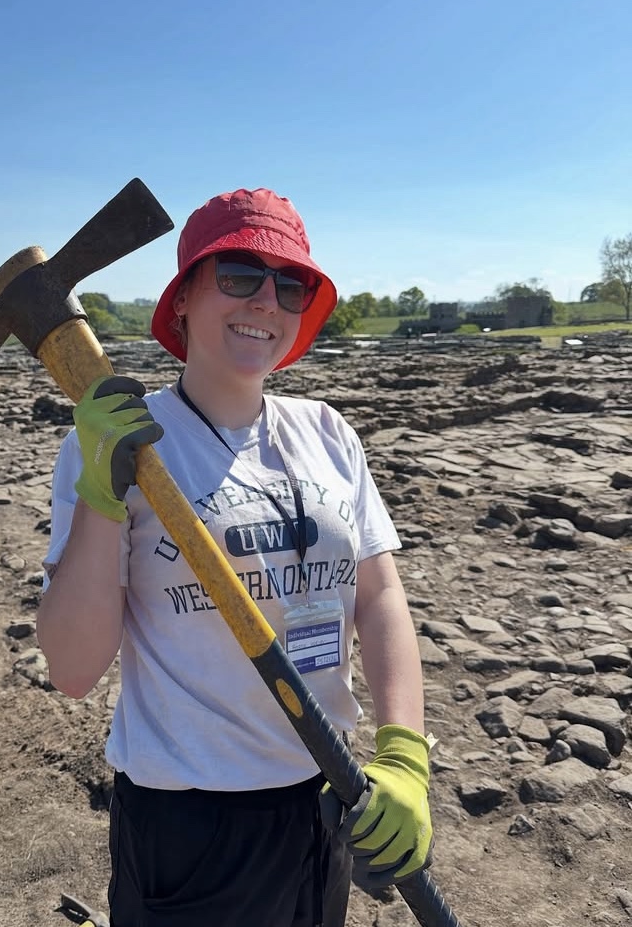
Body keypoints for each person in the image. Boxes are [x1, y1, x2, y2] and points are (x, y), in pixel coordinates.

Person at [37, 187, 432, 927]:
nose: (267, 301)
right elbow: (72, 670)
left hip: (328, 795)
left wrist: (406, 753)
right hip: (192, 822)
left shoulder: (326, 431)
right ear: (184, 294)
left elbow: (378, 598)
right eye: (240, 275)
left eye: (292, 284)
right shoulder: (119, 442)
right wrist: (100, 493)